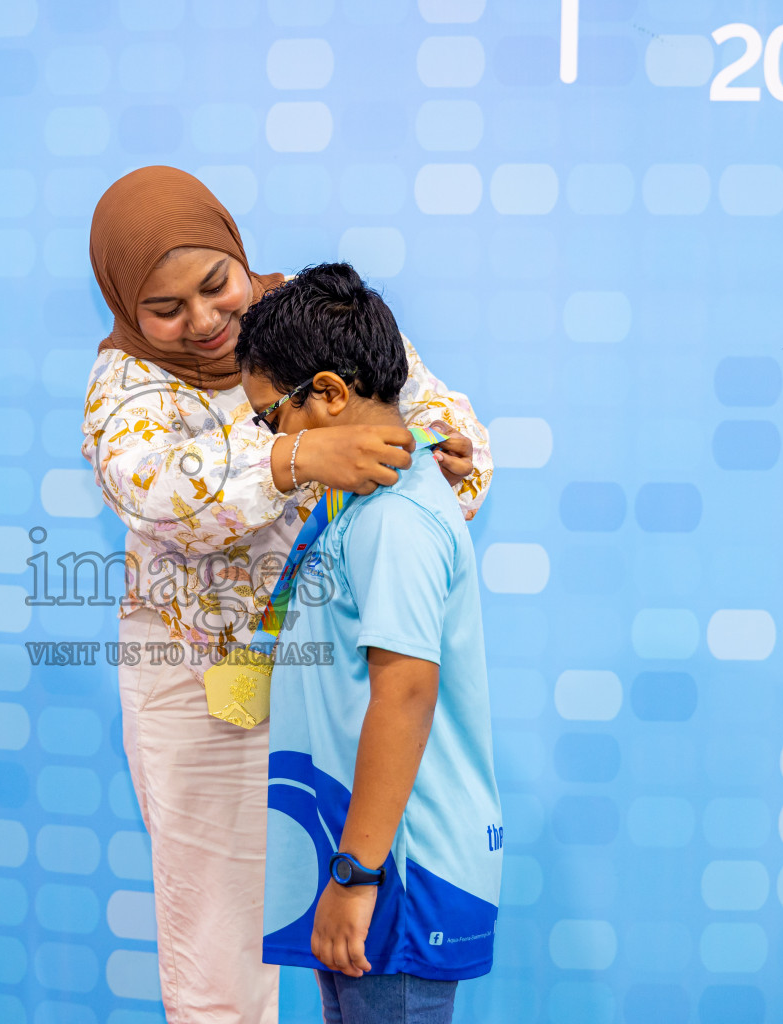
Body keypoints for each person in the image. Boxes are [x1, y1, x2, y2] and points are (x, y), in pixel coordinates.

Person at [81, 166, 493, 1024]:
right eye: (164, 308)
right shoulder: (124, 386)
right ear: (126, 306)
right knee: (220, 937)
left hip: (334, 670)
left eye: (215, 283)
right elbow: (151, 488)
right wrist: (293, 458)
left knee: (347, 917)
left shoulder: (301, 327)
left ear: (239, 254)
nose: (202, 321)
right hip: (201, 679)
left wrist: (455, 454)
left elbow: (425, 403)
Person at [234, 263, 501, 1024]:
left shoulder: (392, 519)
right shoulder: (358, 507)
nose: (271, 442)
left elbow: (407, 693)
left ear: (327, 393)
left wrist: (356, 875)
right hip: (368, 854)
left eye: (269, 418)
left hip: (394, 870)